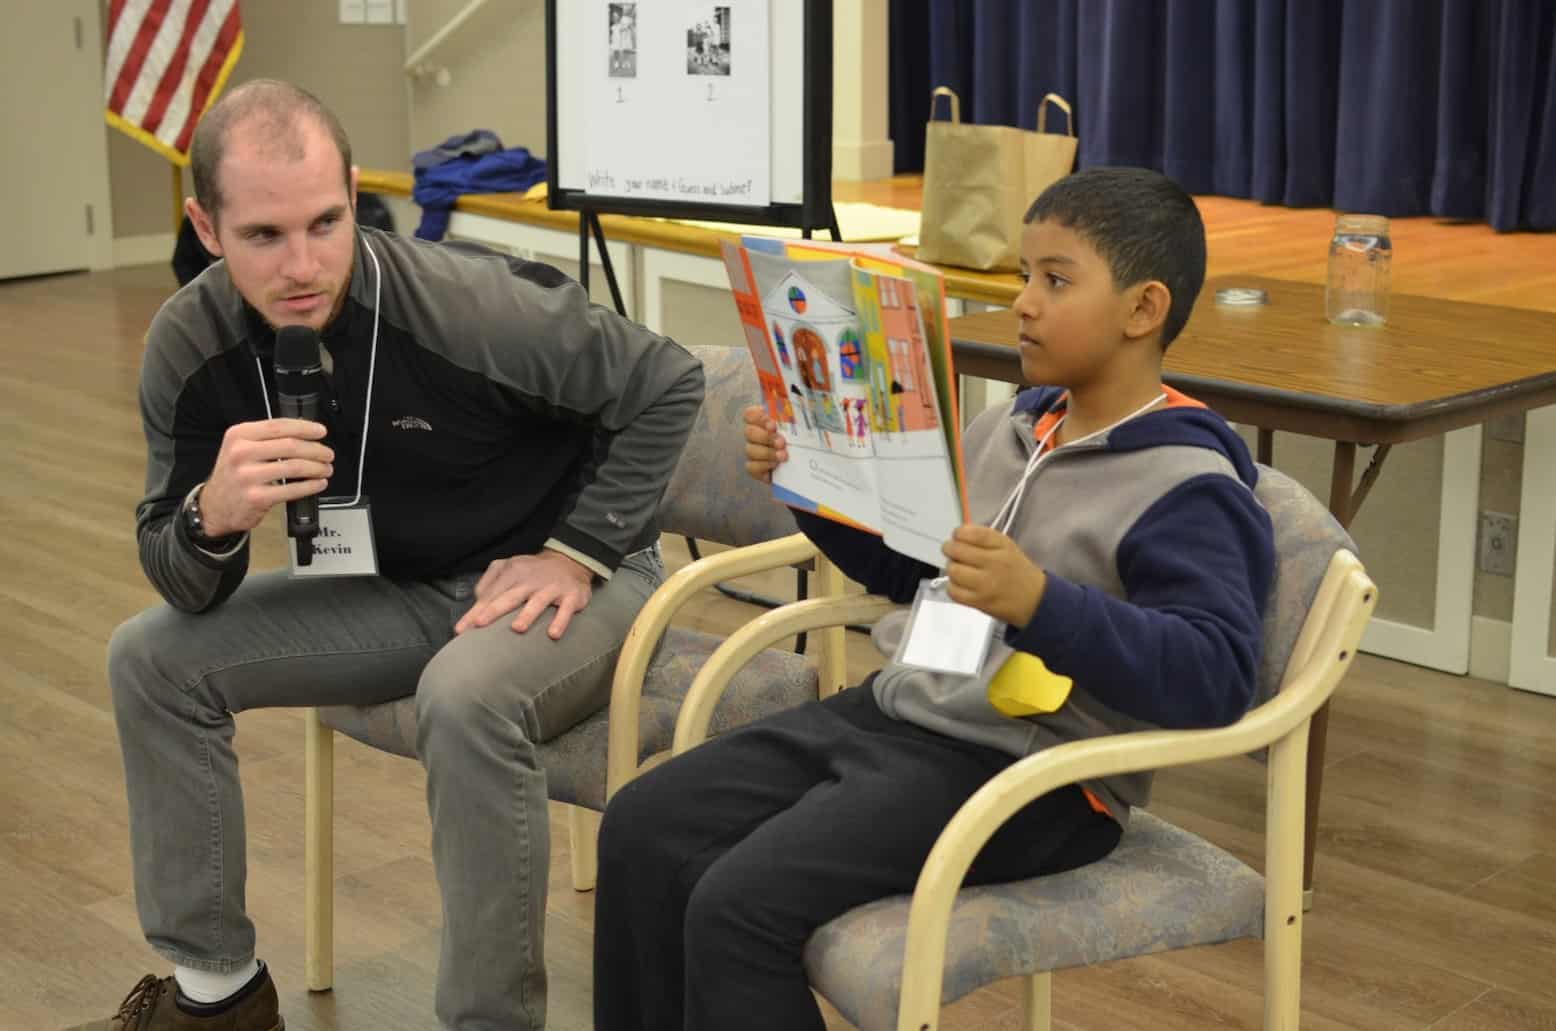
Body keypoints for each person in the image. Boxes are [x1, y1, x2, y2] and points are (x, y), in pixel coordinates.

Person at [78, 80, 703, 1031]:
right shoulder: (188, 347)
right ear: (205, 226)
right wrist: (213, 516)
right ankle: (218, 997)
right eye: (264, 236)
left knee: (463, 695)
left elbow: (667, 381)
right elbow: (176, 574)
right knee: (147, 657)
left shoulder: (472, 306)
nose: (303, 263)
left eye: (327, 222)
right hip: (394, 586)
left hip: (576, 580)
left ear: (355, 195)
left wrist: (574, 551)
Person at [592, 166, 1276, 1030]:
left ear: (1144, 309)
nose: (1025, 301)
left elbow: (1215, 678)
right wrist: (806, 482)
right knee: (642, 824)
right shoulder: (1009, 429)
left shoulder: (1190, 486)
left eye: (1056, 280)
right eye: (1025, 274)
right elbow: (910, 575)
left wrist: (1040, 602)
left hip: (1036, 777)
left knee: (738, 905)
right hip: (901, 712)